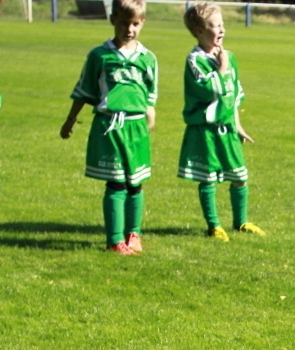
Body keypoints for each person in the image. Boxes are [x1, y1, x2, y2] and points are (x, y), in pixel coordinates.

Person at [61, 0, 157, 255]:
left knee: (136, 184)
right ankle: (115, 240)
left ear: (142, 23)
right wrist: (70, 120)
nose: (129, 29)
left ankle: (133, 234)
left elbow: (149, 94)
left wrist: (150, 114)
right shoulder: (99, 55)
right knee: (116, 183)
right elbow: (83, 91)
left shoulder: (148, 58)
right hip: (110, 126)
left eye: (135, 24)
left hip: (136, 128)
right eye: (124, 22)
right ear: (112, 19)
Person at [177, 2, 263, 241]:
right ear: (199, 31)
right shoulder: (194, 60)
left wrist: (238, 126)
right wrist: (222, 70)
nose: (221, 30)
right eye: (215, 26)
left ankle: (241, 221)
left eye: (222, 25)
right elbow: (208, 91)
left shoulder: (229, 57)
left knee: (240, 177)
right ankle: (213, 225)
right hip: (206, 130)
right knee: (208, 178)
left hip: (228, 130)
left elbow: (233, 96)